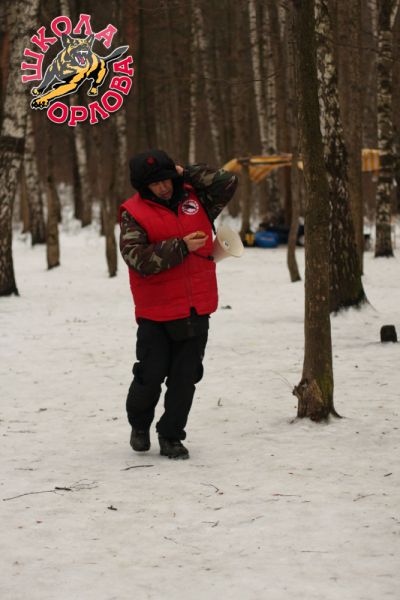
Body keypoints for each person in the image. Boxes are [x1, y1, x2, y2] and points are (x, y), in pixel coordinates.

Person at [119, 149, 238, 459]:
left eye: (166, 179)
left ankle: (171, 435)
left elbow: (227, 181)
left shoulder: (196, 198)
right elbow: (136, 258)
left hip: (196, 306)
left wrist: (186, 172)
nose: (163, 187)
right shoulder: (133, 213)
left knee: (186, 379)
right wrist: (181, 247)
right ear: (143, 186)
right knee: (150, 376)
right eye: (155, 183)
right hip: (155, 312)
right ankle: (140, 424)